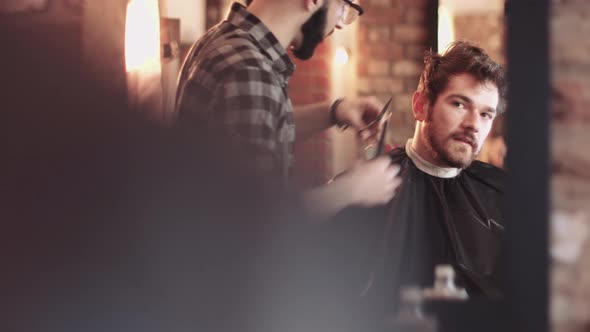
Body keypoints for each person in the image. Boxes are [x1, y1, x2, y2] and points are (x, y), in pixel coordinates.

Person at [174, 0, 401, 221]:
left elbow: (264, 122)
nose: (340, 24)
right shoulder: (250, 71)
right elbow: (260, 221)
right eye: (343, 7)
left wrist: (335, 111)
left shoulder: (220, 40)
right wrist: (353, 189)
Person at [328, 41, 508, 318]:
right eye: (460, 104)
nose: (474, 124)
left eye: (486, 114)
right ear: (421, 106)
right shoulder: (361, 187)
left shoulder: (504, 194)